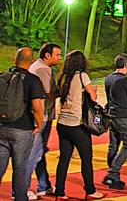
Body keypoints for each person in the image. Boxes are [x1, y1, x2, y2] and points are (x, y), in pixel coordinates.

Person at [52, 50, 105, 199]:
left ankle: (60, 191)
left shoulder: (63, 77)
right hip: (77, 124)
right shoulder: (83, 76)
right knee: (86, 159)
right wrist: (94, 91)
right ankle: (90, 190)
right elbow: (93, 98)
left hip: (62, 123)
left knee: (64, 159)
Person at [0, 47, 44, 201]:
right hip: (23, 130)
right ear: (31, 61)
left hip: (2, 127)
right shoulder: (32, 80)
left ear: (14, 60)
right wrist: (39, 125)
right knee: (20, 169)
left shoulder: (3, 77)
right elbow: (37, 107)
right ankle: (19, 197)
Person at [24, 43, 60, 199]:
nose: (59, 57)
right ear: (47, 55)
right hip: (41, 117)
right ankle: (20, 189)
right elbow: (46, 92)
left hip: (41, 116)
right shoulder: (43, 70)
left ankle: (43, 185)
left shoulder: (36, 66)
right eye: (57, 54)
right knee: (34, 154)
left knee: (39, 152)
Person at [103, 53, 127, 190]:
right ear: (126, 64)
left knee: (113, 145)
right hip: (124, 117)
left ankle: (114, 176)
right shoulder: (126, 81)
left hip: (112, 115)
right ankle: (112, 173)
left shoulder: (108, 78)